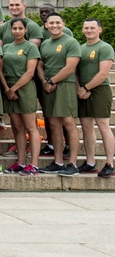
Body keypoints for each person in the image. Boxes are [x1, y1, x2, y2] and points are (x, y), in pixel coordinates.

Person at [38, 13, 81, 176]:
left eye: (58, 22)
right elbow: (40, 65)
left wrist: (52, 81)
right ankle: (58, 161)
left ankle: (73, 163)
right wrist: (44, 81)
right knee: (54, 124)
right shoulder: (46, 44)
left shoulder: (71, 42)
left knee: (68, 122)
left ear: (63, 23)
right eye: (51, 23)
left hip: (64, 86)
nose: (54, 25)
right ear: (46, 26)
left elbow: (70, 67)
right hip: (49, 86)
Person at [0, 18, 41, 175]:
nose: (17, 31)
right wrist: (6, 88)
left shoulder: (30, 47)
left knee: (31, 127)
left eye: (20, 28)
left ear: (25, 30)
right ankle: (21, 161)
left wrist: (14, 89)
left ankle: (34, 164)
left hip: (24, 87)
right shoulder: (7, 47)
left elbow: (30, 72)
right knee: (17, 127)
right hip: (9, 87)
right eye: (14, 28)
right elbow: (0, 70)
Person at [77, 18, 115, 177]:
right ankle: (90, 162)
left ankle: (109, 163)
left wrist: (85, 88)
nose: (89, 30)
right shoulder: (80, 48)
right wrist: (80, 88)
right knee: (86, 127)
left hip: (99, 90)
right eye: (86, 28)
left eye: (92, 27)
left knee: (103, 126)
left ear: (100, 29)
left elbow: (103, 73)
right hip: (82, 91)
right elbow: (75, 71)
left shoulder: (105, 48)